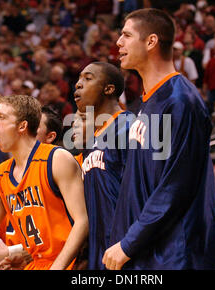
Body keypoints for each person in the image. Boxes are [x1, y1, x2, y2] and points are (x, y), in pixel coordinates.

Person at [103, 8, 215, 270]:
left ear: (151, 42)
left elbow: (175, 186)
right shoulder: (145, 103)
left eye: (126, 35)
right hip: (148, 249)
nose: (118, 42)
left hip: (175, 255)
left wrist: (128, 243)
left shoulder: (180, 101)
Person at [0, 94, 88, 270]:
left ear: (22, 126)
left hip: (68, 263)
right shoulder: (2, 173)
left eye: (1, 117)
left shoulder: (57, 159)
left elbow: (82, 221)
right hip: (34, 263)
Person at [74, 62, 131, 269]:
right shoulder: (91, 143)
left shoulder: (128, 126)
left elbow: (142, 195)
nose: (78, 84)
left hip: (126, 251)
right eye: (79, 78)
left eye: (88, 78)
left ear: (109, 89)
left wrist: (129, 244)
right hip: (99, 253)